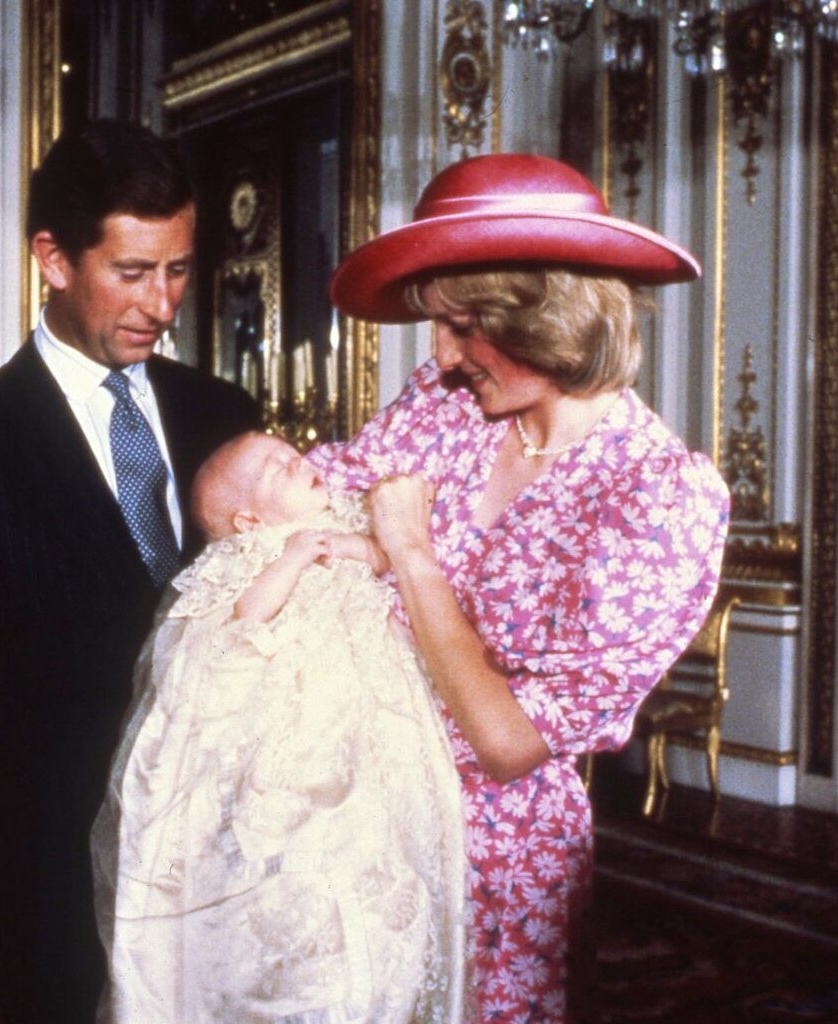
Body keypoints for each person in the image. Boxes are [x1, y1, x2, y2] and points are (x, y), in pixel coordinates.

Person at [313, 153, 730, 1022]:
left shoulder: (657, 499)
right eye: (438, 326)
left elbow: (507, 742)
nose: (443, 354)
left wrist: (410, 554)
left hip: (495, 861)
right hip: (354, 815)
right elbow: (314, 504)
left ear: (553, 321)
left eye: (465, 326)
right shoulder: (445, 404)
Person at [0, 118, 262, 1023]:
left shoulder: (225, 414)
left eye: (176, 269)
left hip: (226, 882)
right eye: (132, 273)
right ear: (53, 259)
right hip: (46, 904)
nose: (161, 304)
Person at [92, 431, 468, 1023]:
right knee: (293, 826)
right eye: (278, 469)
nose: (300, 464)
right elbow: (246, 615)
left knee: (380, 825)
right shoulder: (250, 555)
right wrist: (292, 557)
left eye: (293, 454)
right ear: (247, 520)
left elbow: (381, 556)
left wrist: (348, 545)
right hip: (293, 706)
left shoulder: (342, 515)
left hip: (368, 694)